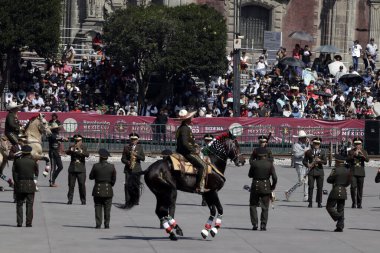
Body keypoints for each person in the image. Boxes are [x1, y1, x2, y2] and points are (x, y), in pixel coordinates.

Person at [175, 109, 207, 193]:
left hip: (183, 150)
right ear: (187, 119)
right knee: (203, 166)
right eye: (190, 118)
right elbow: (185, 143)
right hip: (186, 152)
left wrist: (195, 145)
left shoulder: (182, 127)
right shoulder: (185, 129)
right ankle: (199, 186)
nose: (191, 119)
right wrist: (194, 150)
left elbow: (188, 141)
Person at [248, 147, 277, 231]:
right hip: (266, 186)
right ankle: (263, 224)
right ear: (265, 155)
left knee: (253, 205)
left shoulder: (254, 163)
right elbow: (275, 177)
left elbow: (250, 175)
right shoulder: (270, 164)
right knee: (265, 207)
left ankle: (255, 224)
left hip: (255, 186)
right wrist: (272, 187)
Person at [89, 149, 116, 229]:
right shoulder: (112, 166)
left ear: (100, 157)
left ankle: (98, 224)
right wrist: (110, 184)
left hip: (98, 188)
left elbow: (91, 177)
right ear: (107, 158)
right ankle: (106, 224)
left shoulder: (95, 166)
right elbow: (113, 180)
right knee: (107, 208)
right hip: (108, 189)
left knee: (98, 207)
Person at [12, 145, 38, 227]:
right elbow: (36, 173)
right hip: (30, 184)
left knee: (19, 204)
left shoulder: (17, 161)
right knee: (30, 204)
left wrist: (17, 183)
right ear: (30, 152)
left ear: (22, 152)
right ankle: (28, 223)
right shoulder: (33, 161)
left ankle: (19, 223)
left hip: (20, 184)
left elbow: (14, 173)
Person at [326, 154, 351, 232]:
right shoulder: (348, 170)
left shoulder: (335, 170)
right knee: (341, 208)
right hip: (343, 190)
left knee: (329, 206)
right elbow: (349, 182)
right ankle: (340, 226)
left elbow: (329, 180)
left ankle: (339, 217)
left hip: (336, 189)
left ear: (337, 162)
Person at [121, 133, 145, 207]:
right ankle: (127, 201)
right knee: (127, 185)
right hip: (128, 169)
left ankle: (136, 200)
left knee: (136, 185)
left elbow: (143, 158)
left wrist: (136, 155)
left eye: (135, 140)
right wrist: (127, 162)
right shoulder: (126, 147)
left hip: (137, 169)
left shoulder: (140, 147)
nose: (133, 141)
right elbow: (122, 159)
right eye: (132, 139)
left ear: (137, 140)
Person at [285, 130, 310, 201]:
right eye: (304, 137)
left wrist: (309, 144)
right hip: (299, 164)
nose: (305, 139)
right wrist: (304, 151)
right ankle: (289, 192)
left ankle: (306, 196)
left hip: (306, 164)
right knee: (301, 181)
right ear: (300, 138)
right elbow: (297, 155)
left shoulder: (306, 145)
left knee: (306, 181)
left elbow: (309, 151)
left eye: (306, 137)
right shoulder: (295, 145)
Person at [303, 137, 327, 208]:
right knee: (311, 187)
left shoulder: (322, 152)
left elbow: (325, 162)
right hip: (311, 171)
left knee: (320, 187)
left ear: (319, 144)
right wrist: (308, 164)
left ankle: (319, 202)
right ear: (313, 144)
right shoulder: (309, 152)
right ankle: (310, 202)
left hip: (319, 171)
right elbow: (304, 161)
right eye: (315, 143)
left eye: (318, 144)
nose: (316, 145)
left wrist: (320, 161)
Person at [66, 134, 89, 205]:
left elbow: (87, 154)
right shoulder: (72, 147)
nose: (77, 142)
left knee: (82, 185)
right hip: (72, 169)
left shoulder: (84, 147)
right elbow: (67, 152)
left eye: (78, 141)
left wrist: (80, 150)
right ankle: (70, 199)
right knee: (71, 185)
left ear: (81, 141)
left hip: (81, 169)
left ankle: (83, 200)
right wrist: (72, 150)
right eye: (76, 141)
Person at [346, 137, 369, 208]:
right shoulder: (351, 151)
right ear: (354, 144)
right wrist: (354, 155)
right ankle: (354, 202)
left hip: (361, 172)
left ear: (361, 144)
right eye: (356, 144)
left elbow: (367, 160)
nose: (357, 146)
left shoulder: (364, 151)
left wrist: (362, 155)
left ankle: (359, 203)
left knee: (360, 188)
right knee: (353, 187)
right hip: (353, 172)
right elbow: (347, 160)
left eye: (359, 144)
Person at [48, 119, 67, 187]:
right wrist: (62, 138)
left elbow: (59, 141)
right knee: (53, 168)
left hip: (56, 152)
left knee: (60, 167)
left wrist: (61, 150)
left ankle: (53, 179)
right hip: (52, 152)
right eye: (56, 128)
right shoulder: (51, 134)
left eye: (58, 128)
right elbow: (55, 138)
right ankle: (51, 182)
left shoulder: (57, 134)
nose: (58, 129)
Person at [200, 133, 214, 206]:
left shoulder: (214, 148)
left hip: (213, 166)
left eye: (209, 141)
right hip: (206, 165)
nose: (207, 142)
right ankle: (204, 199)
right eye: (206, 140)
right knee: (205, 180)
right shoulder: (203, 148)